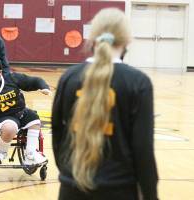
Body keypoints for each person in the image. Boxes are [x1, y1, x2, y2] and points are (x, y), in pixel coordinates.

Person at [52, 8, 158, 200]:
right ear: (127, 41)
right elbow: (143, 148)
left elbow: (58, 136)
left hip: (71, 187)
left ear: (92, 39)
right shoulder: (138, 82)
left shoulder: (69, 78)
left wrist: (70, 173)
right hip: (120, 189)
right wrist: (150, 195)